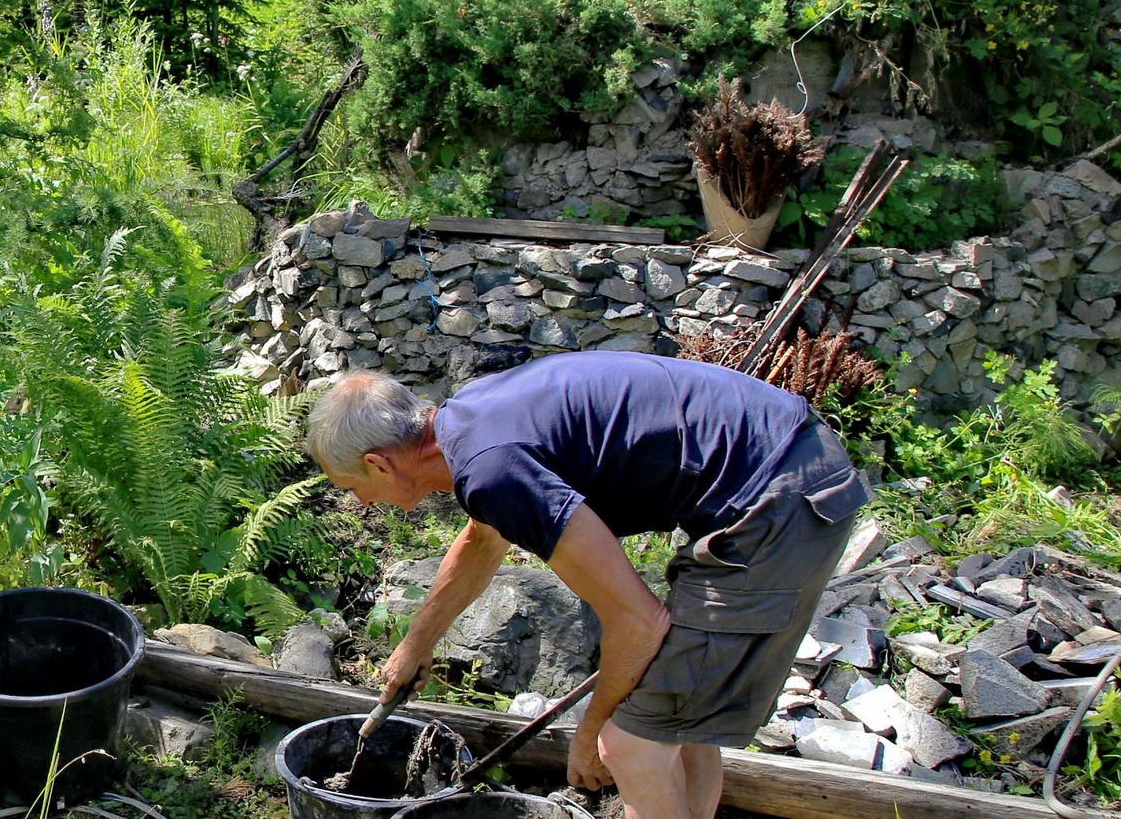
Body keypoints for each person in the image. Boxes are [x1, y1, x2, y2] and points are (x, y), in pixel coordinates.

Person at [306, 351, 870, 819]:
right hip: (783, 464)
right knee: (681, 723)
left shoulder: (491, 468)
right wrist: (416, 643)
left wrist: (588, 732)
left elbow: (639, 620)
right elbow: (483, 541)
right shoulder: (470, 421)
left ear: (380, 464)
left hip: (778, 499)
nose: (361, 502)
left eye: (353, 486)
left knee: (628, 744)